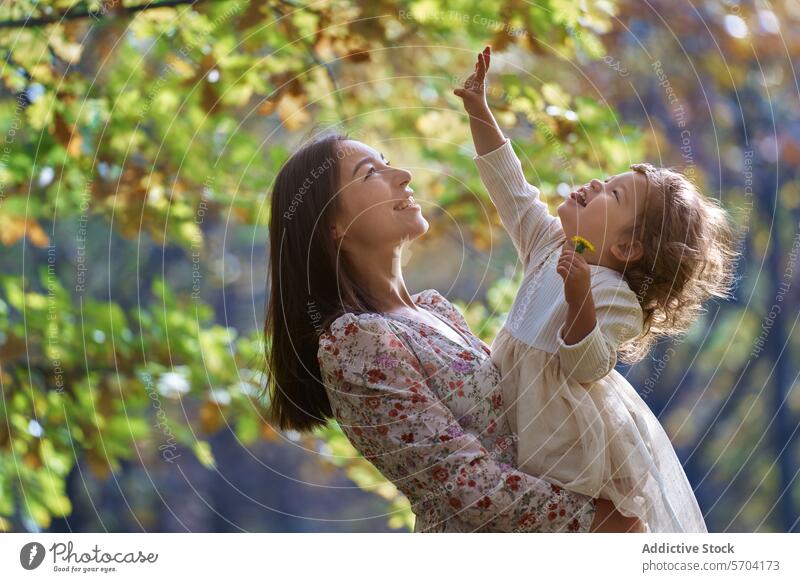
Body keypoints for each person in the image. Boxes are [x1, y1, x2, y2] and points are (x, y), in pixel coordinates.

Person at [264, 132, 642, 532]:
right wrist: (600, 522)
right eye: (371, 172)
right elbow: (466, 487)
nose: (404, 175)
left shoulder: (435, 309)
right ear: (334, 225)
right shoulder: (355, 344)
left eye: (388, 160)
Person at [454, 47, 738, 532]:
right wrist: (480, 112)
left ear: (627, 248)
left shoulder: (612, 296)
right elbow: (512, 190)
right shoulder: (550, 245)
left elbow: (586, 363)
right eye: (608, 179)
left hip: (561, 447)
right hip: (512, 423)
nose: (593, 183)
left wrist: (579, 296)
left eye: (613, 193)